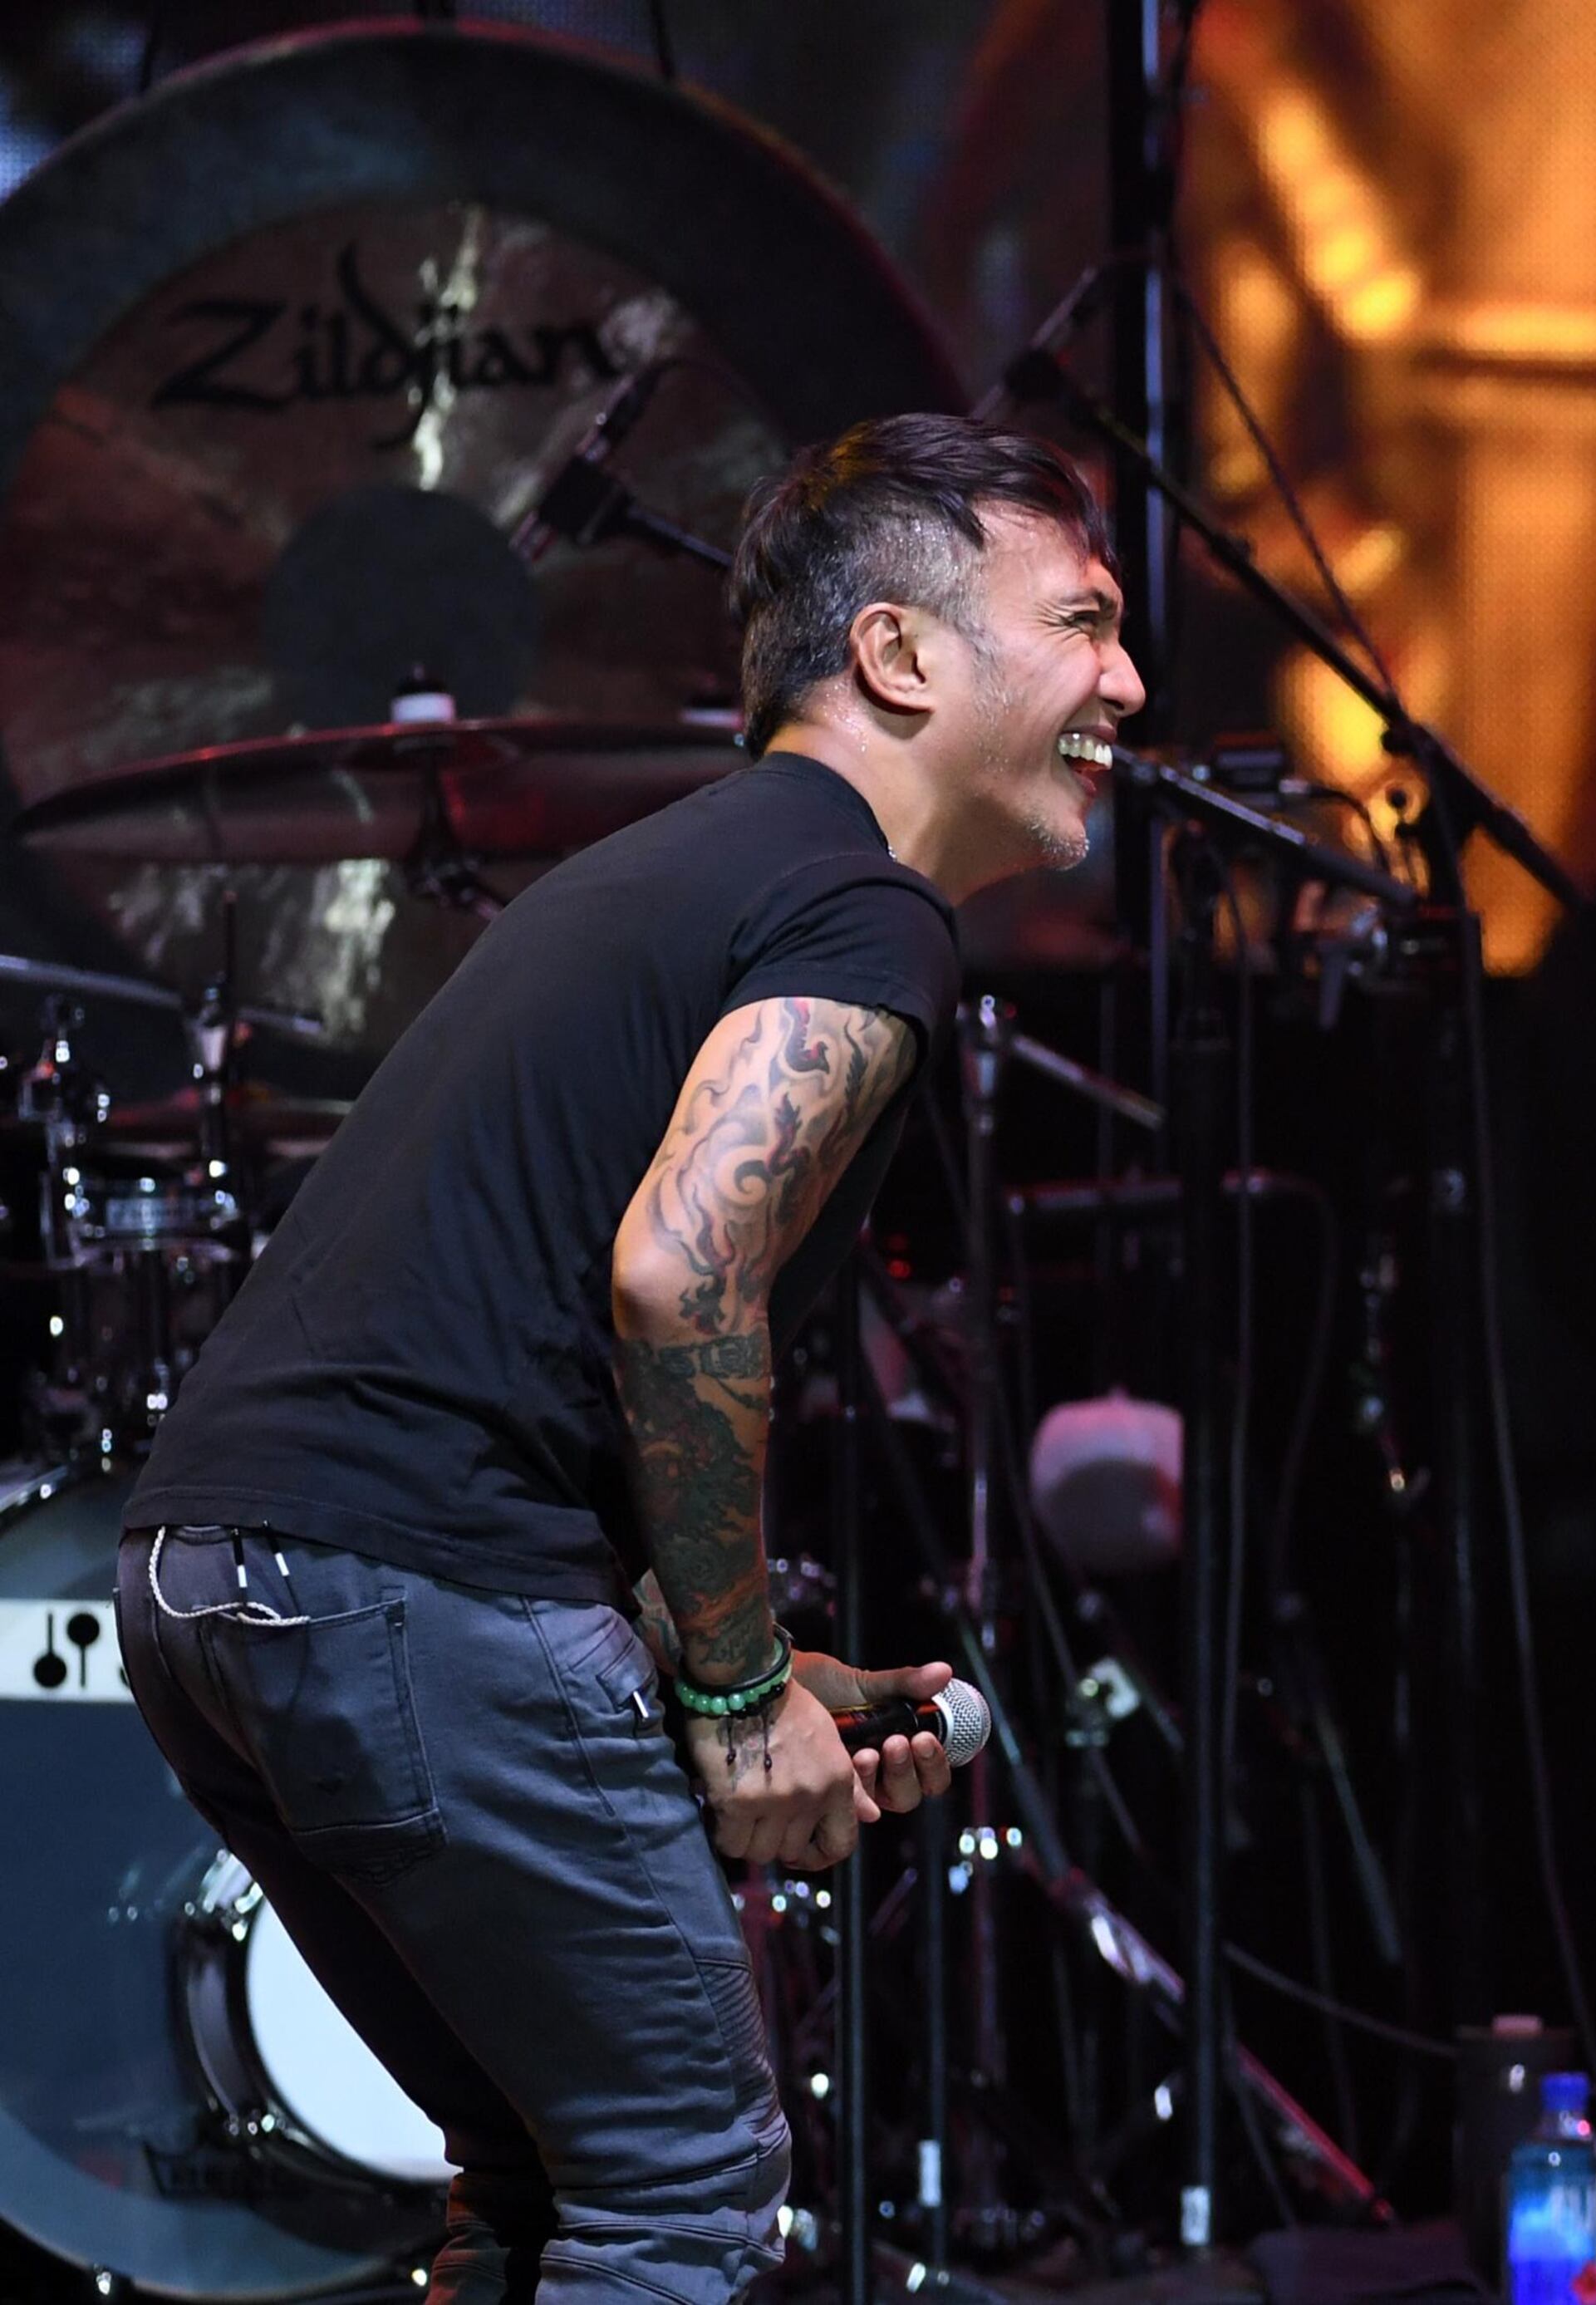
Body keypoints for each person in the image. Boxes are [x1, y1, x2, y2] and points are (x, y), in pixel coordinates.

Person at [114, 413, 1143, 2300]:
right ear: (898, 655)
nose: (1128, 682)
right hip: (407, 1584)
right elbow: (677, 1277)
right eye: (1082, 622)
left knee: (539, 2175)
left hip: (218, 1582)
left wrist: (725, 1646)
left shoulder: (676, 870)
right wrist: (738, 1697)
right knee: (683, 2190)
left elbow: (521, 1353)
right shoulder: (860, 903)